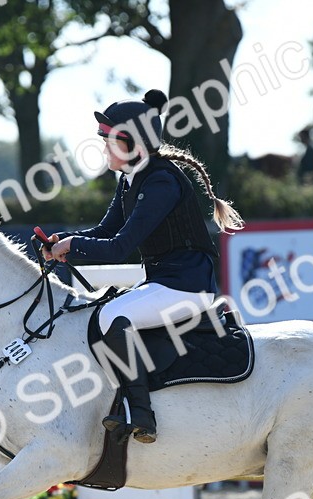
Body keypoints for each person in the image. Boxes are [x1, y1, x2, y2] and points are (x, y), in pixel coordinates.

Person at [45, 89, 244, 445]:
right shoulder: (132, 179)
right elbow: (106, 232)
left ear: (131, 143)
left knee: (111, 317)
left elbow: (121, 246)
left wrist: (73, 246)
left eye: (108, 140)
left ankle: (141, 414)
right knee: (105, 314)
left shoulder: (161, 182)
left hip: (187, 287)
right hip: (166, 283)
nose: (103, 147)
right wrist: (64, 239)